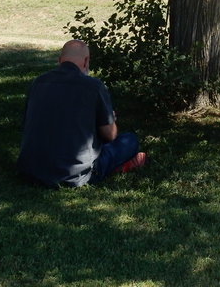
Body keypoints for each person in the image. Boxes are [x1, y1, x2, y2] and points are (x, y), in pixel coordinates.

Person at [17, 39, 146, 187]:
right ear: (86, 61)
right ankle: (115, 166)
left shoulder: (38, 83)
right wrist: (110, 119)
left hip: (31, 170)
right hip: (74, 174)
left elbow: (27, 122)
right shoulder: (94, 86)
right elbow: (110, 135)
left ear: (59, 61)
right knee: (130, 140)